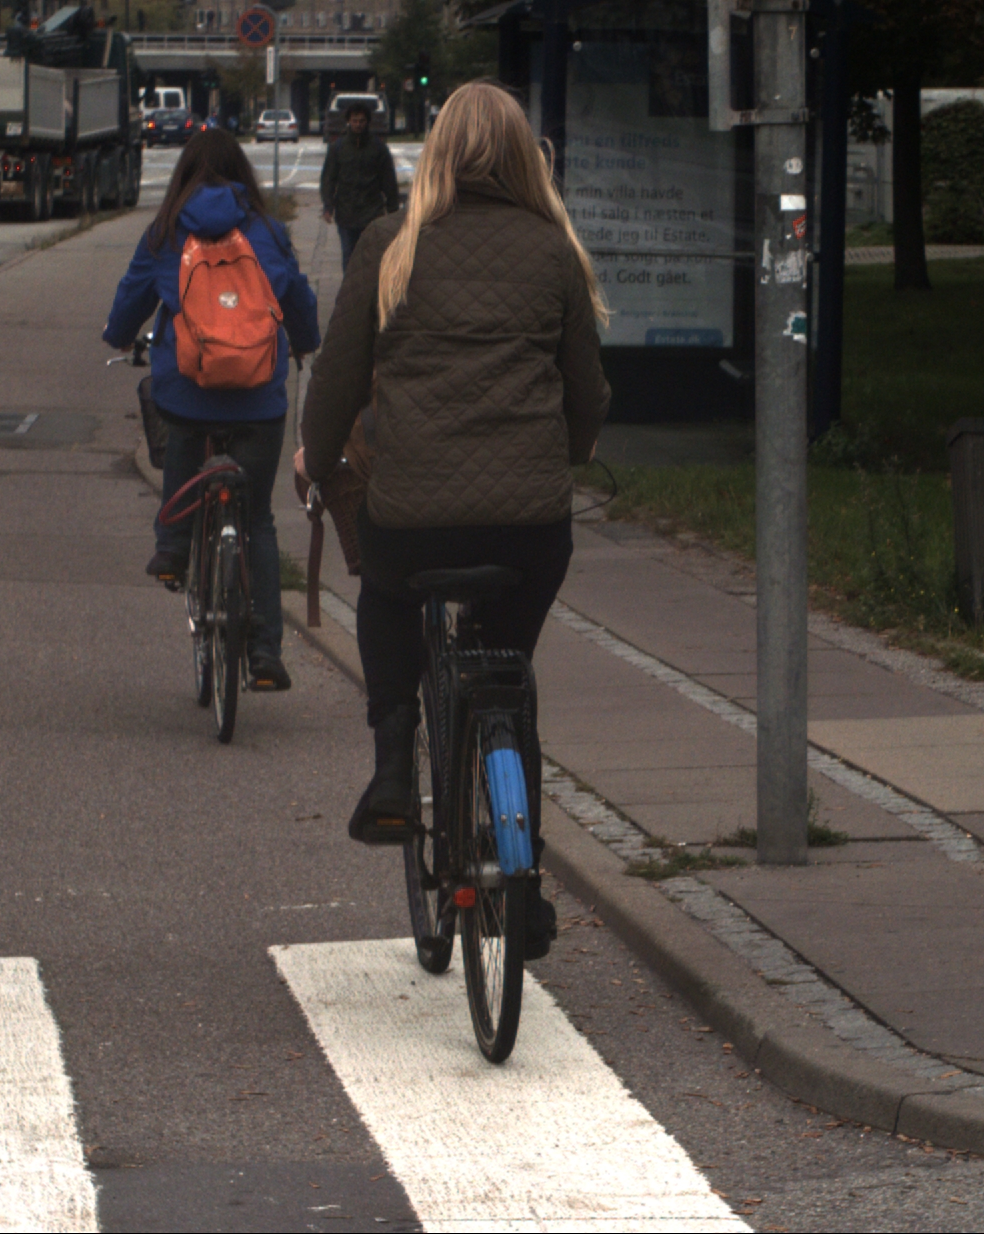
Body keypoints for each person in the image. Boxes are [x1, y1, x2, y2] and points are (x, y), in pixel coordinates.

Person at [296, 80, 611, 957]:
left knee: (388, 594)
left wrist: (315, 460)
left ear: (435, 152)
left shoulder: (390, 244)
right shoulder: (554, 249)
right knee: (510, 672)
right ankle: (526, 886)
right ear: (522, 155)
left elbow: (338, 382)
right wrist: (568, 451)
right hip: (529, 526)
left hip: (414, 520)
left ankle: (395, 765)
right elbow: (587, 393)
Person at [104, 129, 320, 692]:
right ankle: (266, 652)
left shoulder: (165, 233)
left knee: (182, 430)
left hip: (189, 391)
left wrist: (119, 334)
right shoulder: (267, 230)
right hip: (258, 397)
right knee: (259, 520)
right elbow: (297, 297)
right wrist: (305, 341)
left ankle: (173, 546)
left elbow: (131, 297)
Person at [320, 101, 400, 271]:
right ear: (349, 121)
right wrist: (328, 206)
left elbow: (388, 181)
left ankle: (368, 287)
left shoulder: (378, 148)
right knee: (348, 256)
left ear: (367, 122)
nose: (358, 124)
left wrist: (393, 209)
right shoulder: (338, 148)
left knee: (370, 256)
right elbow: (329, 179)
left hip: (372, 212)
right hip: (346, 212)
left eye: (362, 121)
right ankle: (350, 287)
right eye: (355, 121)